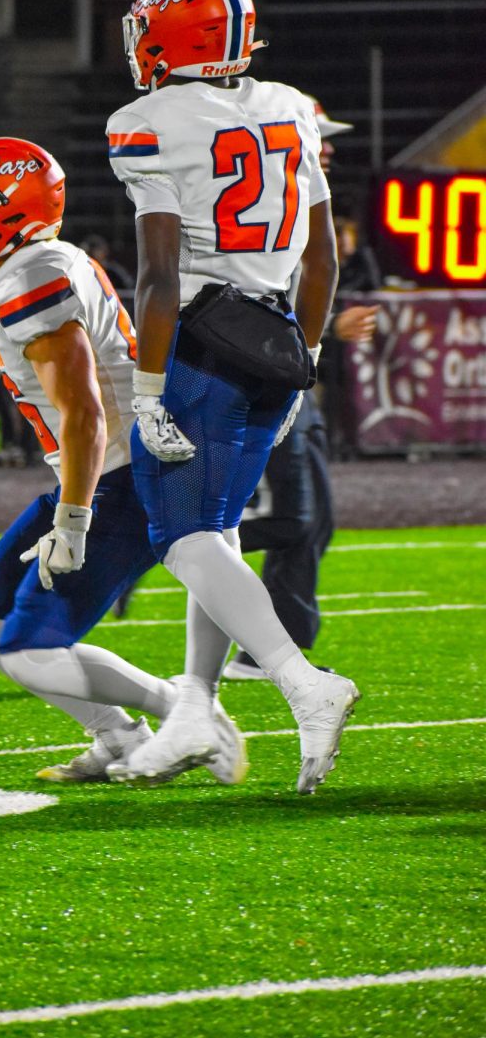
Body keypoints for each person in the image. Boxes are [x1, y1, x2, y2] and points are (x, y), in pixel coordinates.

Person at [104, 0, 361, 793]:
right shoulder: (289, 106)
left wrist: (145, 392)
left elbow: (158, 274)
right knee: (216, 532)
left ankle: (302, 684)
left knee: (182, 539)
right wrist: (309, 360)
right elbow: (320, 254)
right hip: (279, 343)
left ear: (174, 34)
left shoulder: (145, 120)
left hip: (200, 349)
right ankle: (194, 707)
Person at [0, 135, 246, 787]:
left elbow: (85, 413)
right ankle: (123, 739)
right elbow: (69, 352)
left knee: (29, 647)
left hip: (119, 478)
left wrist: (72, 522)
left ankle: (190, 713)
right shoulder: (43, 262)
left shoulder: (32, 278)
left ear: (12, 208)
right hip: (105, 470)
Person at [223, 102, 380, 679]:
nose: (331, 148)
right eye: (321, 135)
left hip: (295, 378)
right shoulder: (272, 206)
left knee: (316, 521)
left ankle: (272, 648)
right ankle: (172, 543)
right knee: (293, 519)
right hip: (266, 381)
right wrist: (323, 330)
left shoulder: (300, 198)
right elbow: (258, 300)